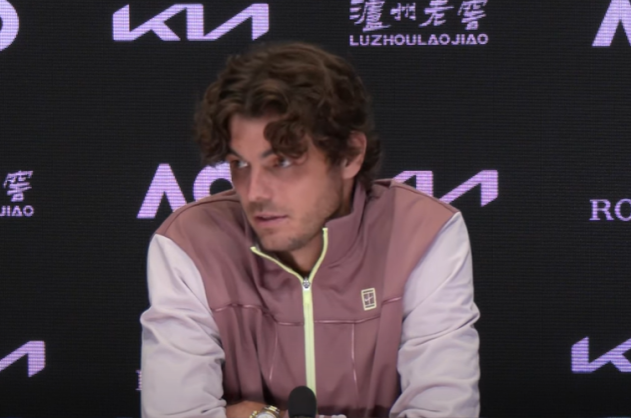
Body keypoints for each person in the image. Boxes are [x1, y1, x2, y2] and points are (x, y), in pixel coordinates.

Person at [140, 41, 480, 418]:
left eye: (282, 162)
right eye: (240, 164)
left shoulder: (423, 232)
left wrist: (262, 417)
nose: (254, 193)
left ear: (350, 155)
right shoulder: (190, 241)